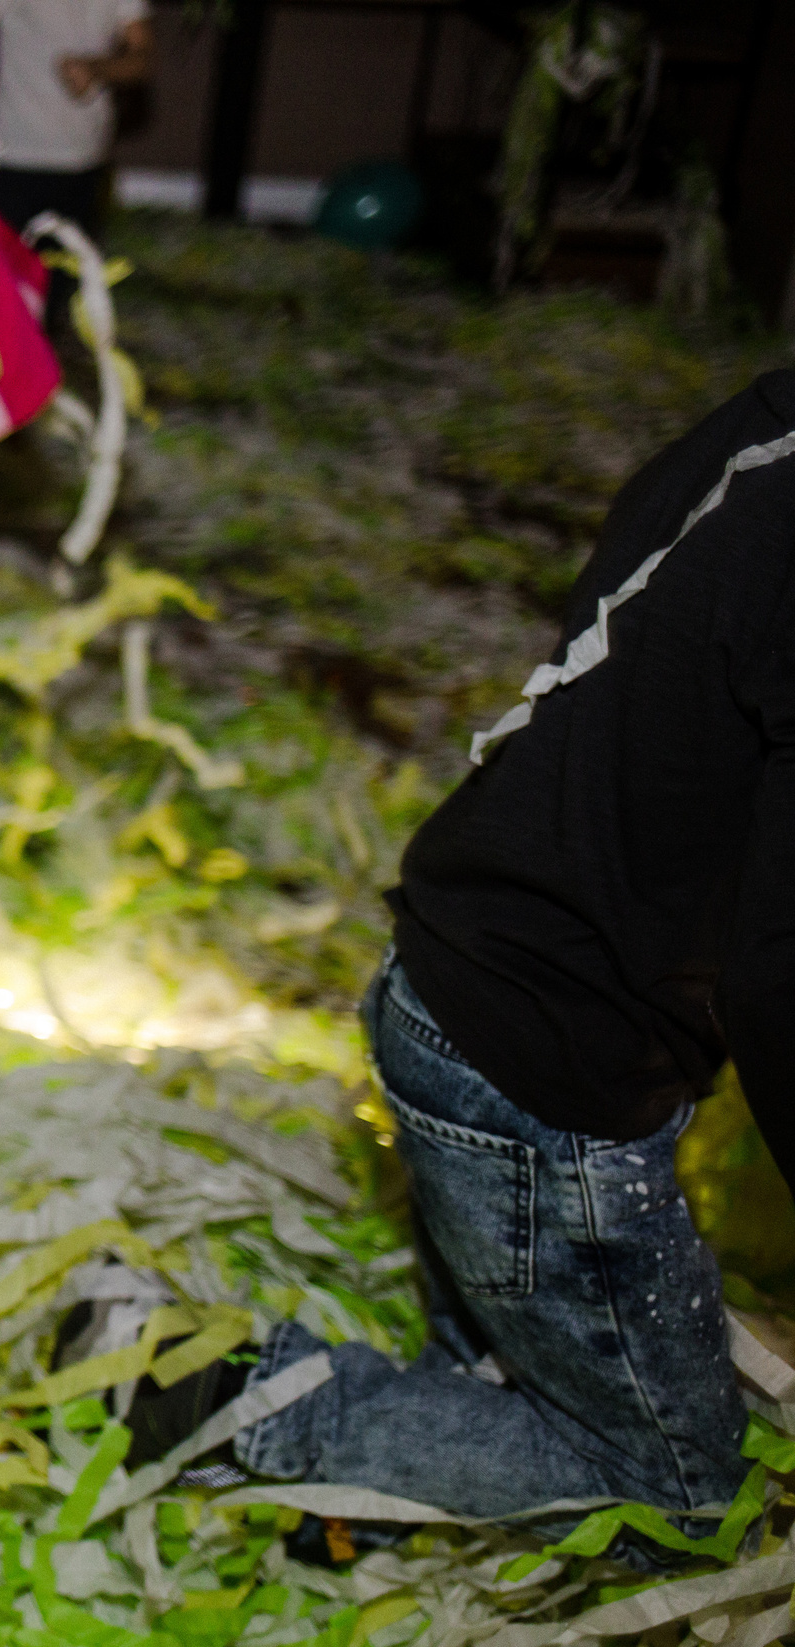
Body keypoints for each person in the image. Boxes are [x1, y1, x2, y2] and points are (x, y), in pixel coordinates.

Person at [81, 374, 794, 1548]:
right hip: (543, 1081)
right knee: (666, 1489)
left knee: (529, 1375)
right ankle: (192, 1385)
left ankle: (388, 1485)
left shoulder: (768, 432)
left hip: (465, 968)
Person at [0, 0, 150, 325]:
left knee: (59, 294)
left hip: (84, 162)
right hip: (12, 159)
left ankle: (40, 363)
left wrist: (99, 68)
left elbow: (142, 55)